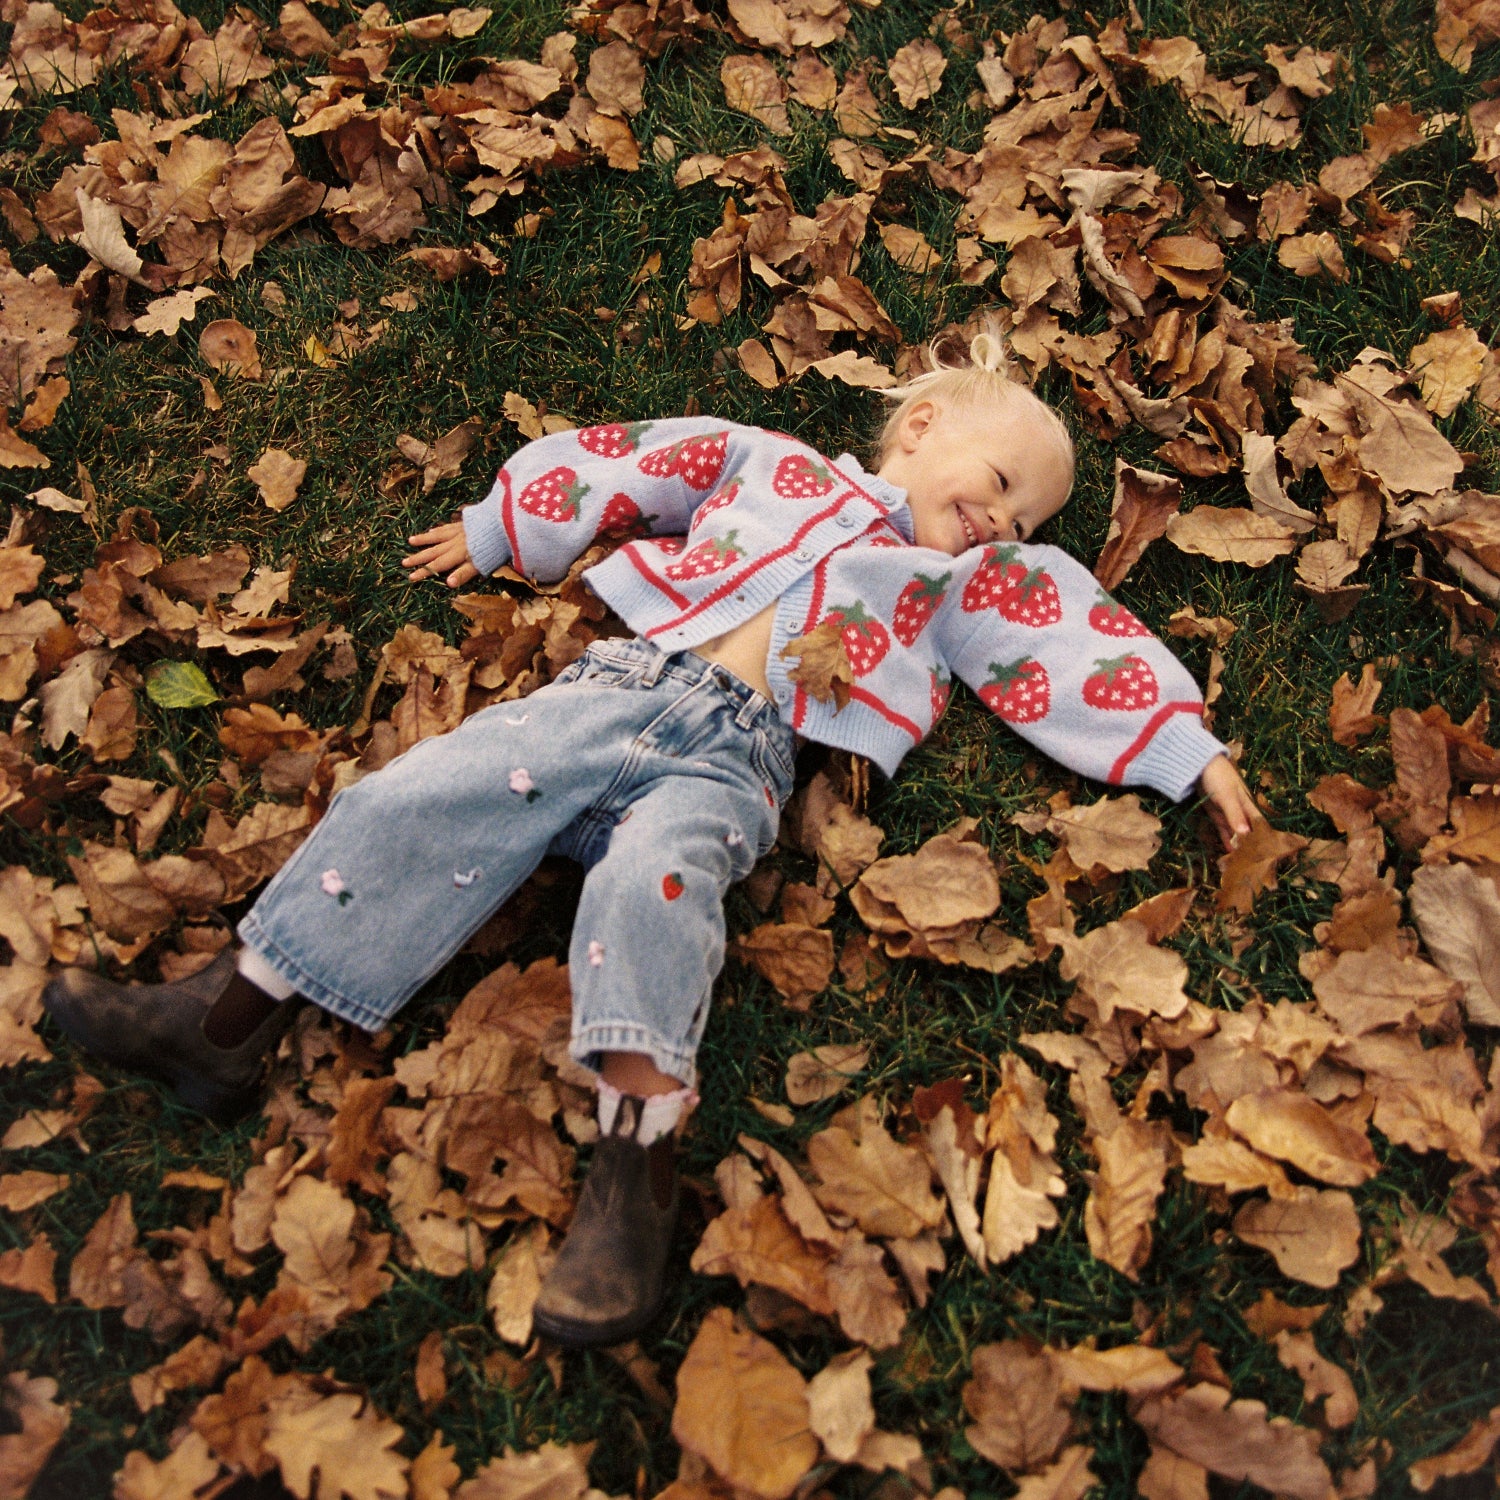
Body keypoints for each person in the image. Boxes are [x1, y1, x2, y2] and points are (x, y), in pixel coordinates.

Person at [43, 325, 1257, 1347]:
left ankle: (634, 1168)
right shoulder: (772, 466)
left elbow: (1069, 640)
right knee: (418, 795)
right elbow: (636, 464)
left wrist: (1182, 749)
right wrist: (505, 526)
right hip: (611, 692)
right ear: (924, 423)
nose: (998, 522)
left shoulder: (955, 588)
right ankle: (225, 1018)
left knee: (659, 890)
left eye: (1023, 517)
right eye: (996, 483)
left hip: (741, 758)